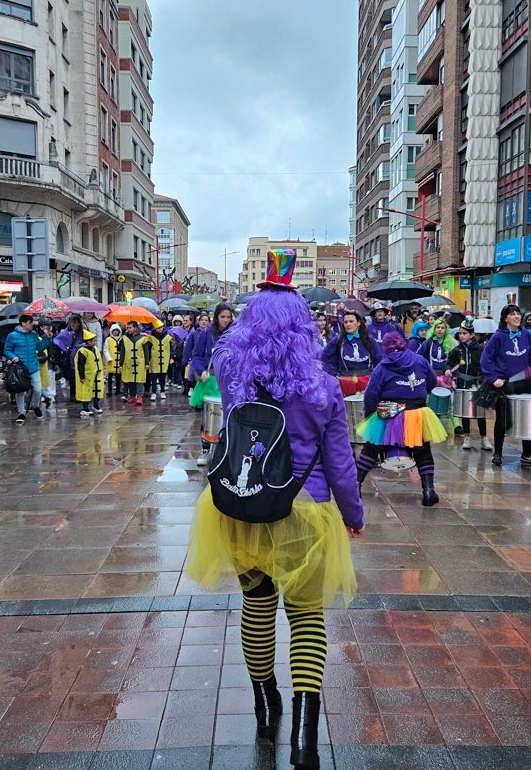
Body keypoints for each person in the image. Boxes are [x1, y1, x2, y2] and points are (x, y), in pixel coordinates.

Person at [185, 249, 364, 769]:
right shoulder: (324, 388)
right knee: (306, 616)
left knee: (257, 608)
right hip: (306, 512)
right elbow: (340, 464)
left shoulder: (233, 376)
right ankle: (305, 734)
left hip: (241, 507)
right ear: (304, 328)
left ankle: (267, 708)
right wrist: (352, 516)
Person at [355, 332, 447, 506]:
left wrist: (371, 415)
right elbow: (433, 381)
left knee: (372, 448)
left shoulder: (383, 366)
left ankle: (356, 485)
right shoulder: (420, 360)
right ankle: (428, 491)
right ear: (403, 344)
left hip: (390, 410)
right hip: (417, 411)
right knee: (422, 450)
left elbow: (371, 394)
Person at [480, 304, 531, 467]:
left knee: (526, 418)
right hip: (505, 383)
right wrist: (494, 378)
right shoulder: (498, 337)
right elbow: (485, 359)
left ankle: (527, 454)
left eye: (518, 314)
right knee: (502, 419)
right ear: (505, 318)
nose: (517, 316)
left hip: (524, 382)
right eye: (513, 314)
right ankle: (498, 453)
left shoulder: (526, 335)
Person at [190, 303, 234, 465]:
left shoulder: (235, 333)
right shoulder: (206, 333)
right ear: (216, 317)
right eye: (222, 317)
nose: (225, 320)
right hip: (210, 379)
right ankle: (205, 449)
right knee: (208, 415)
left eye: (228, 317)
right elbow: (196, 355)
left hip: (229, 380)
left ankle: (226, 448)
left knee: (228, 415)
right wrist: (201, 371)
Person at [445, 320, 493, 450]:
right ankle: (467, 437)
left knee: (480, 413)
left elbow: (487, 364)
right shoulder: (457, 350)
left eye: (464, 333)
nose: (461, 336)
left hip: (478, 383)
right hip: (463, 383)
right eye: (460, 333)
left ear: (472, 335)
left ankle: (484, 438)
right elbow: (449, 362)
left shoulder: (480, 349)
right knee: (465, 412)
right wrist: (448, 369)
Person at [322, 310, 381, 396]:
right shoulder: (338, 340)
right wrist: (333, 374)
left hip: (367, 381)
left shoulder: (369, 340)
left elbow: (379, 358)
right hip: (345, 382)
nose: (348, 324)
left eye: (351, 321)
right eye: (345, 322)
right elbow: (325, 357)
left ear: (359, 323)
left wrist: (376, 375)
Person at [4, 314, 43, 424]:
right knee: (19, 390)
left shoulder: (34, 334)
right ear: (23, 323)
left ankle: (36, 406)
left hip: (34, 366)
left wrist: (46, 338)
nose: (32, 324)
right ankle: (21, 412)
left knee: (38, 389)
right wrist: (13, 357)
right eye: (30, 322)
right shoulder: (12, 336)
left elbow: (39, 348)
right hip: (20, 368)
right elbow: (7, 350)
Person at [53, 314, 85, 401]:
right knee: (72, 378)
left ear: (79, 323)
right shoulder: (65, 333)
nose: (73, 324)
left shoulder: (83, 333)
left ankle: (80, 394)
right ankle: (73, 394)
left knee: (80, 377)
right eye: (72, 322)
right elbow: (57, 341)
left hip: (80, 358)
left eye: (76, 322)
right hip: (69, 359)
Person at [118, 320, 150, 405]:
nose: (128, 329)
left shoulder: (143, 338)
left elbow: (146, 352)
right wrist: (120, 364)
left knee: (139, 381)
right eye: (127, 327)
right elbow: (122, 352)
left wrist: (147, 363)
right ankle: (132, 396)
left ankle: (139, 397)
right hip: (128, 363)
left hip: (140, 363)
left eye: (130, 327)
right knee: (130, 381)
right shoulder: (124, 338)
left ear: (135, 328)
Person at [75, 330, 105, 417]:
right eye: (93, 340)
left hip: (97, 374)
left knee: (98, 390)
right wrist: (82, 376)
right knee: (86, 392)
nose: (95, 342)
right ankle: (85, 408)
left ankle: (96, 404)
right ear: (88, 341)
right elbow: (80, 364)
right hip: (88, 374)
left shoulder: (94, 349)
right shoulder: (83, 351)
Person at [147, 319, 171, 400]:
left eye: (161, 327)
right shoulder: (151, 338)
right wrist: (148, 359)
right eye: (158, 327)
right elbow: (149, 349)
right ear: (155, 328)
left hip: (164, 360)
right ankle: (153, 392)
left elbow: (170, 348)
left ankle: (162, 391)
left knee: (162, 377)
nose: (160, 329)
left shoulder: (167, 337)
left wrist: (171, 357)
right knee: (153, 378)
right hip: (154, 360)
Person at [36, 318, 55, 408]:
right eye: (44, 326)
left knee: (50, 376)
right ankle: (44, 394)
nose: (46, 328)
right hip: (41, 359)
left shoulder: (52, 334)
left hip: (49, 359)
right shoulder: (38, 335)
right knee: (41, 378)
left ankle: (49, 394)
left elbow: (53, 347)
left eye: (48, 326)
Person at [103, 324, 123, 396]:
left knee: (118, 376)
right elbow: (105, 349)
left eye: (116, 330)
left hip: (119, 361)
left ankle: (118, 389)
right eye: (113, 330)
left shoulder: (121, 339)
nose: (115, 332)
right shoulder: (108, 339)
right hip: (111, 361)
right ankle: (109, 390)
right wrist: (108, 358)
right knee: (110, 377)